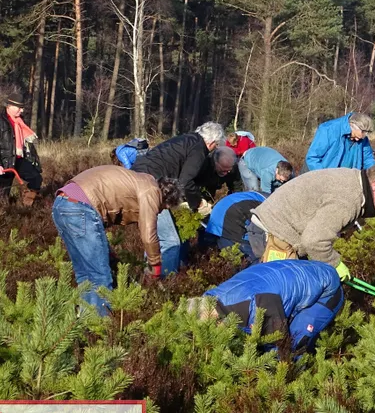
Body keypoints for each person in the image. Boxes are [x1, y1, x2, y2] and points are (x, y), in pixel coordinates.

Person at [52, 165, 183, 315]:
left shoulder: (139, 180)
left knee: (85, 274)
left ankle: (85, 322)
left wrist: (108, 253)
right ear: (166, 200)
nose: (160, 212)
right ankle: (99, 328)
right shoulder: (151, 190)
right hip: (81, 208)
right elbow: (149, 235)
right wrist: (155, 268)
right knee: (100, 277)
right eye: (164, 208)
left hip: (62, 205)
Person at [247, 162, 375, 278]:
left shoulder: (354, 180)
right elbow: (315, 240)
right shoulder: (349, 199)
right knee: (272, 302)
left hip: (276, 229)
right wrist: (335, 264)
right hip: (273, 234)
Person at [187, 260, 343, 356]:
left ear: (211, 319)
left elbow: (279, 341)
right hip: (299, 273)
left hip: (326, 289)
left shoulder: (258, 307)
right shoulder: (214, 296)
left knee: (293, 346)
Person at [132, 121, 226, 276]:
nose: (213, 149)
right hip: (149, 186)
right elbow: (186, 181)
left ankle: (148, 278)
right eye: (215, 145)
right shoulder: (198, 149)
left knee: (156, 237)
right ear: (211, 143)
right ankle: (166, 282)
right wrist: (199, 204)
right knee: (170, 240)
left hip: (137, 178)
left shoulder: (186, 140)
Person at [0, 93, 42, 206]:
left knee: (36, 178)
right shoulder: (1, 121)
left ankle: (26, 207)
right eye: (19, 107)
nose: (22, 110)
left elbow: (26, 144)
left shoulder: (20, 122)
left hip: (19, 159)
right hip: (5, 162)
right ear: (10, 106)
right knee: (3, 194)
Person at [202, 190, 266, 260]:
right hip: (232, 221)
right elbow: (258, 234)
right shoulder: (268, 205)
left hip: (217, 216)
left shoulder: (260, 196)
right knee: (252, 259)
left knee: (229, 256)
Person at [304, 112, 375, 172]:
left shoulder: (363, 138)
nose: (357, 140)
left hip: (349, 180)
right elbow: (312, 158)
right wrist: (324, 178)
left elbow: (368, 159)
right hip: (324, 178)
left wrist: (374, 174)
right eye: (355, 137)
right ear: (352, 126)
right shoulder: (327, 130)